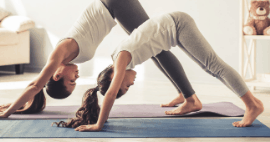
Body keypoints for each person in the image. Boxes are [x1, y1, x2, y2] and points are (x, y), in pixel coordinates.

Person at [0, 0, 194, 118]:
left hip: (113, 0)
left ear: (57, 75)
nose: (76, 78)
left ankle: (189, 97)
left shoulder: (59, 54)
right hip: (113, 6)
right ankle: (184, 93)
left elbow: (36, 85)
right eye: (75, 83)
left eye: (70, 82)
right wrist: (13, 104)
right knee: (155, 49)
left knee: (156, 48)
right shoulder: (64, 59)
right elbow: (34, 85)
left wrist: (6, 113)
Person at [53, 11, 264, 131]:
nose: (131, 84)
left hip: (178, 24)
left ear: (112, 76)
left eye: (125, 85)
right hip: (175, 28)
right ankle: (189, 99)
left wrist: (99, 125)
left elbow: (109, 93)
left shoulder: (121, 60)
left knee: (213, 65)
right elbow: (154, 51)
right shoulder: (119, 57)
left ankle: (252, 104)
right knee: (208, 67)